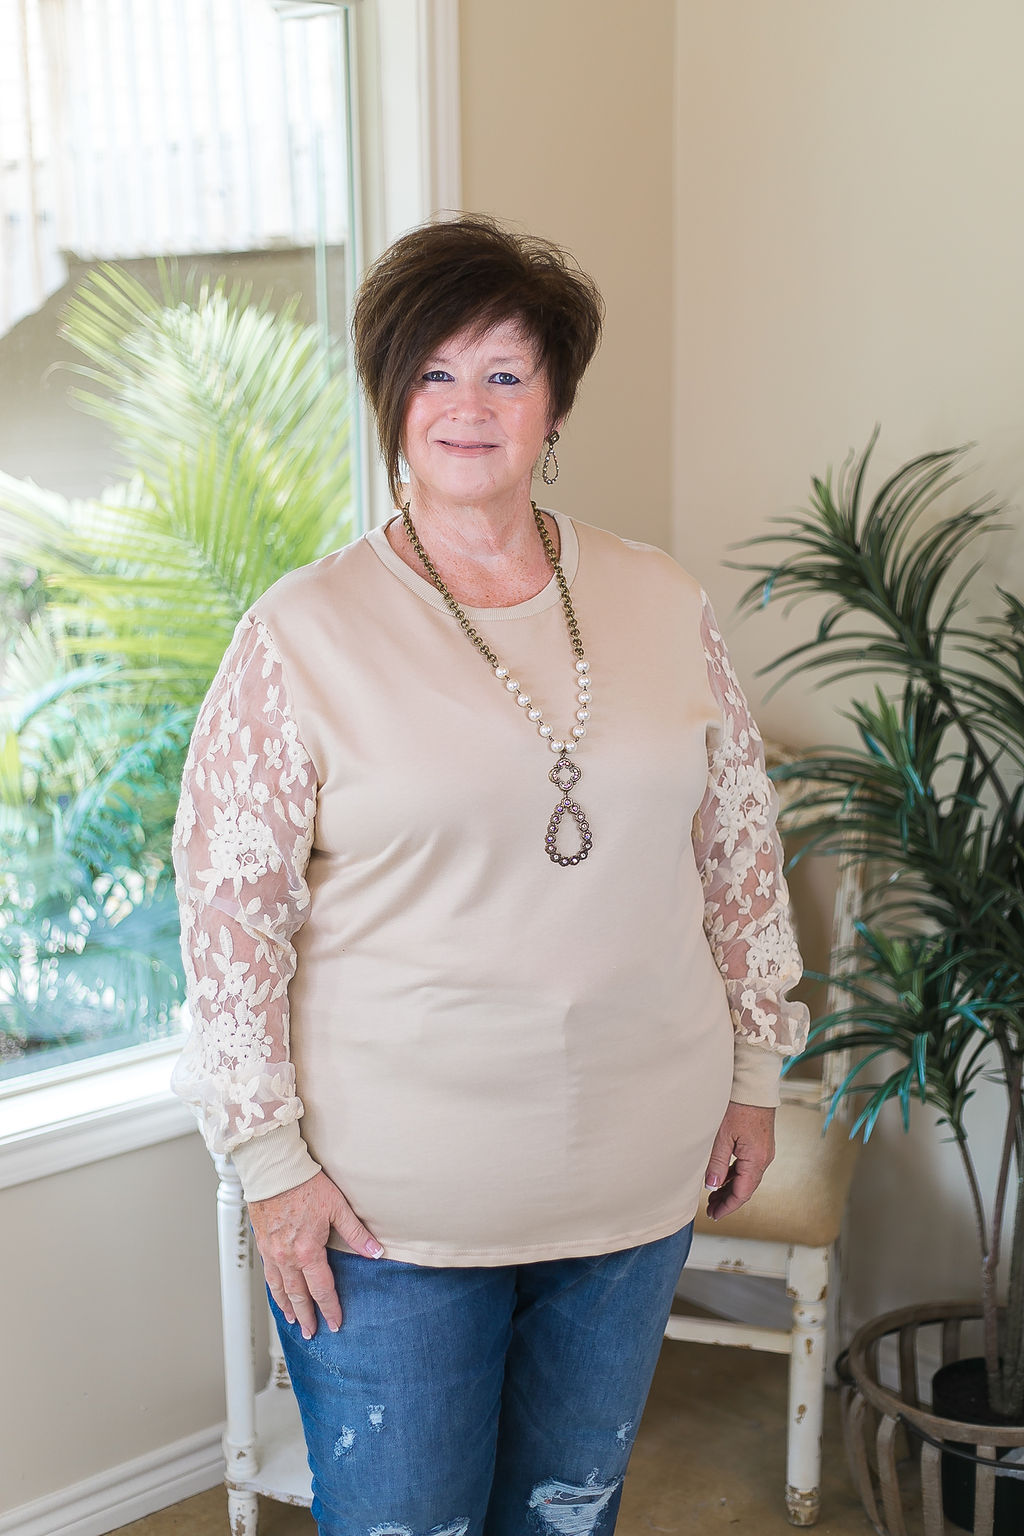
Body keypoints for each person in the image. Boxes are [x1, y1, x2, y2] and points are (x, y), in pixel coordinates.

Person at [171, 214, 809, 1536]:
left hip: (638, 1177)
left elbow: (740, 856)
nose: (470, 405)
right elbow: (231, 925)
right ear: (391, 399)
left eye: (507, 373)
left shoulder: (660, 600)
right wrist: (271, 1165)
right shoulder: (300, 634)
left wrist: (755, 1073)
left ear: (554, 405)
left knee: (569, 1515)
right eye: (436, 371)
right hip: (389, 1215)